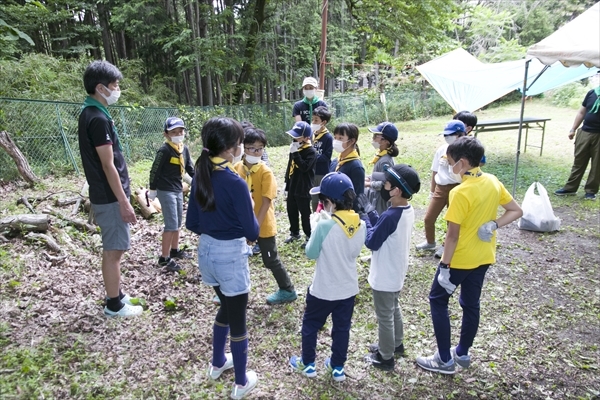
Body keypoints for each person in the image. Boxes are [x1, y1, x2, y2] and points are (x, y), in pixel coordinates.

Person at [416, 136, 522, 375]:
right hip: (484, 256)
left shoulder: (460, 192)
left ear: (462, 163)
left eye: (451, 162)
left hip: (460, 259)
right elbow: (516, 210)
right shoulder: (493, 181)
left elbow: (452, 236)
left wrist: (444, 266)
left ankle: (444, 359)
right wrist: (494, 224)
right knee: (471, 303)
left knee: (437, 300)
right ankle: (462, 353)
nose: (449, 166)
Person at [186, 117, 259, 399]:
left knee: (227, 308)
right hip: (229, 254)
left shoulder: (202, 175)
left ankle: (218, 362)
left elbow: (192, 222)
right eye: (240, 144)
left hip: (206, 253)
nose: (242, 148)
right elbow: (252, 231)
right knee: (238, 319)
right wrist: (248, 208)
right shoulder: (235, 182)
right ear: (230, 149)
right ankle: (241, 382)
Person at [77, 60, 142, 318]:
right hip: (108, 196)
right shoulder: (96, 118)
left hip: (107, 195)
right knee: (114, 249)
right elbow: (108, 165)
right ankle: (114, 305)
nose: (117, 89)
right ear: (101, 87)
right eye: (115, 85)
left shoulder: (93, 113)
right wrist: (124, 202)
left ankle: (116, 293)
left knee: (115, 247)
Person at [289, 172, 366, 382]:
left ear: (331, 202)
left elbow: (311, 253)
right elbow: (353, 251)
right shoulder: (361, 224)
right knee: (342, 329)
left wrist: (316, 229)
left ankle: (308, 364)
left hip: (323, 288)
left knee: (311, 324)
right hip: (348, 289)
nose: (322, 205)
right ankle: (338, 367)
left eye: (323, 201)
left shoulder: (324, 225)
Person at [358, 164, 420, 371]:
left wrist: (365, 218)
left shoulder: (390, 215)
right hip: (396, 270)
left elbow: (372, 242)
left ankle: (385, 357)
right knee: (393, 308)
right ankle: (396, 344)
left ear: (397, 190)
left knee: (384, 316)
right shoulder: (404, 211)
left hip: (384, 274)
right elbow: (384, 228)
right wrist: (372, 212)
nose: (383, 186)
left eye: (387, 183)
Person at [234, 126, 298, 305]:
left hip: (263, 225)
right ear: (243, 148)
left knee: (270, 259)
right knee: (236, 257)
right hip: (240, 224)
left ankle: (287, 289)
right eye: (252, 148)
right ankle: (231, 291)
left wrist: (254, 228)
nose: (256, 152)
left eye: (260, 148)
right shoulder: (237, 168)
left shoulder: (265, 172)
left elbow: (267, 202)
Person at [147, 117, 195, 273]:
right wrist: (153, 189)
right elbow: (155, 170)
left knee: (178, 221)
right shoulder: (164, 150)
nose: (178, 134)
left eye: (180, 131)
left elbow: (189, 168)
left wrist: (198, 181)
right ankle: (164, 258)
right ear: (166, 134)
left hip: (178, 188)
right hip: (165, 190)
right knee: (171, 224)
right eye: (174, 132)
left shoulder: (183, 148)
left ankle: (175, 250)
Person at [416, 121, 468, 258]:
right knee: (429, 218)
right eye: (445, 135)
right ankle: (430, 242)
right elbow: (435, 171)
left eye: (450, 135)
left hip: (457, 188)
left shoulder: (466, 151)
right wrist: (432, 191)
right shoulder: (442, 149)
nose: (447, 137)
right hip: (441, 187)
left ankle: (446, 246)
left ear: (460, 135)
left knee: (452, 221)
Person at [554, 86, 600, 200]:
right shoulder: (592, 93)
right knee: (578, 162)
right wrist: (573, 129)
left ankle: (591, 191)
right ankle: (570, 188)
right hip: (584, 132)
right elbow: (581, 112)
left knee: (597, 165)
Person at [284, 121, 317, 247]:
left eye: (297, 136)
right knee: (291, 209)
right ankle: (294, 232)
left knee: (304, 213)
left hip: (304, 186)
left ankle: (309, 235)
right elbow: (290, 166)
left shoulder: (311, 152)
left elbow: (304, 167)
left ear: (306, 138)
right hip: (293, 184)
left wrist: (296, 153)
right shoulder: (295, 148)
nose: (294, 138)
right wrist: (286, 182)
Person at [365, 122, 400, 214]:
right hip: (375, 197)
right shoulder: (381, 156)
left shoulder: (385, 160)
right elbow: (379, 175)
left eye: (376, 135)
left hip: (380, 201)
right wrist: (369, 177)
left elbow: (385, 183)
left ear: (386, 141)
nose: (373, 138)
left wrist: (368, 184)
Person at [329, 123, 365, 213]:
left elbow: (357, 197)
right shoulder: (335, 161)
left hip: (346, 214)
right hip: (332, 209)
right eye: (335, 137)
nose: (336, 141)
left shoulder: (356, 167)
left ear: (352, 141)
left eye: (340, 138)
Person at [311, 106, 333, 212]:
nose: (313, 122)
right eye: (313, 119)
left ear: (323, 122)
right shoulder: (312, 135)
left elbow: (326, 157)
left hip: (322, 172)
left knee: (323, 198)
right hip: (312, 172)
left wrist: (312, 157)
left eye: (316, 120)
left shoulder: (328, 137)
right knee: (313, 198)